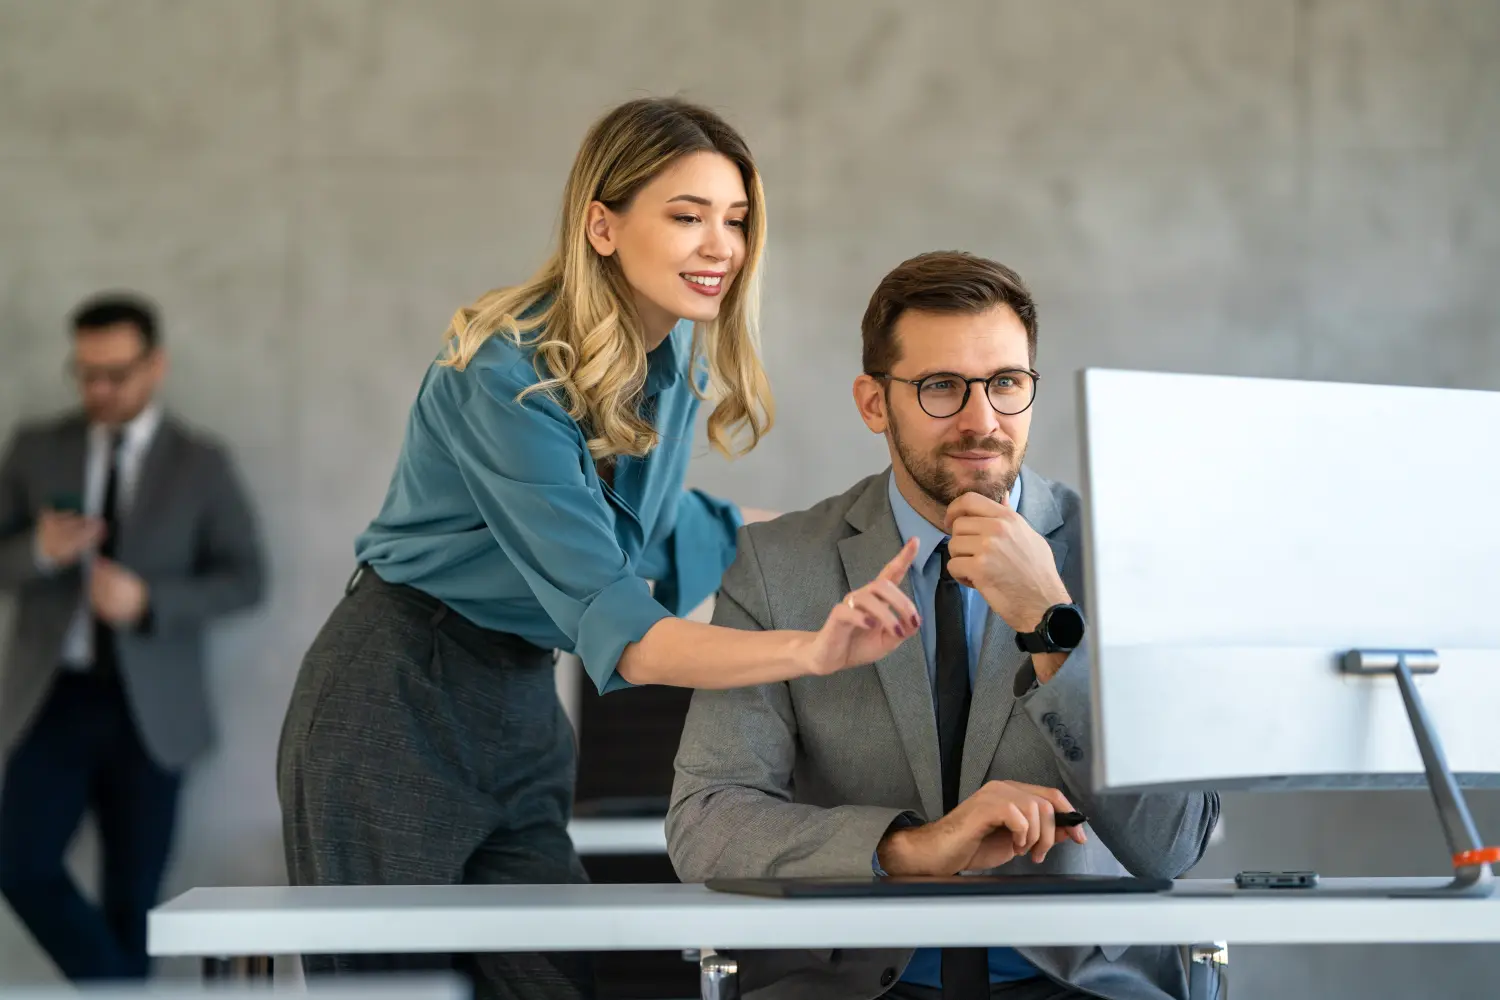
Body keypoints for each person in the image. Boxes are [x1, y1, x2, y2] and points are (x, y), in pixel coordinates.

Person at [276, 97, 920, 1000]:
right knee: (395, 988)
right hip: (396, 692)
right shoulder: (504, 375)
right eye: (687, 216)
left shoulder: (674, 370)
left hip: (520, 696)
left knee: (550, 982)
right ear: (602, 225)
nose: (720, 246)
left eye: (735, 221)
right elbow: (625, 625)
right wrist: (812, 651)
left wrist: (866, 533)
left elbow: (662, 527)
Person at [668, 251, 1222, 1000]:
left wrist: (1049, 622)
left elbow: (1173, 840)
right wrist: (908, 849)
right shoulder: (776, 566)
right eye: (940, 388)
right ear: (874, 403)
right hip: (852, 984)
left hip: (1085, 981)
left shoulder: (1128, 556)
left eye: (1005, 384)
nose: (981, 420)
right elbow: (707, 820)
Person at [0, 293, 266, 981]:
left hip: (154, 711)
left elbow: (247, 579)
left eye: (115, 373)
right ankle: (124, 994)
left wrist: (150, 601)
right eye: (85, 373)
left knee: (134, 900)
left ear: (155, 366)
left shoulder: (200, 463)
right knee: (17, 862)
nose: (100, 390)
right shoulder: (36, 448)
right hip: (51, 698)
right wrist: (39, 551)